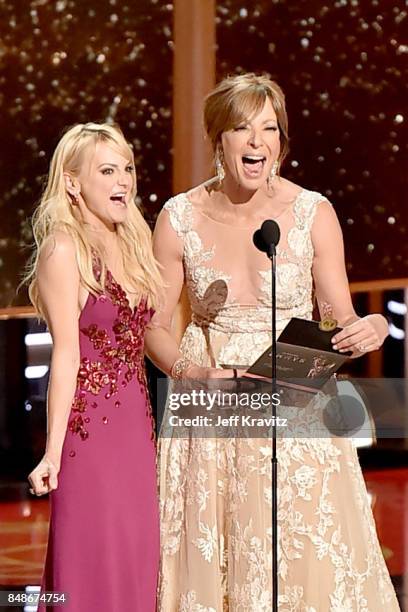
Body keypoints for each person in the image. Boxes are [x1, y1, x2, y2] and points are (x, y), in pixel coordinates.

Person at [146, 74, 401, 610]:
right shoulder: (178, 218)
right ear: (219, 139)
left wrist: (371, 328)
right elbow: (153, 326)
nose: (257, 141)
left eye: (269, 128)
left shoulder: (313, 212)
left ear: (282, 141)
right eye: (242, 128)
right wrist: (192, 374)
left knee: (298, 550)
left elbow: (336, 318)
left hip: (294, 400)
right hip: (210, 403)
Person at [26, 123, 162, 611]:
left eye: (127, 168)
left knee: (138, 564)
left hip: (137, 435)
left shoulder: (132, 243)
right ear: (71, 182)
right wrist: (53, 454)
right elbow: (65, 354)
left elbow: (146, 337)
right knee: (91, 570)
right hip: (89, 441)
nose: (123, 180)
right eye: (107, 170)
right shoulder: (64, 249)